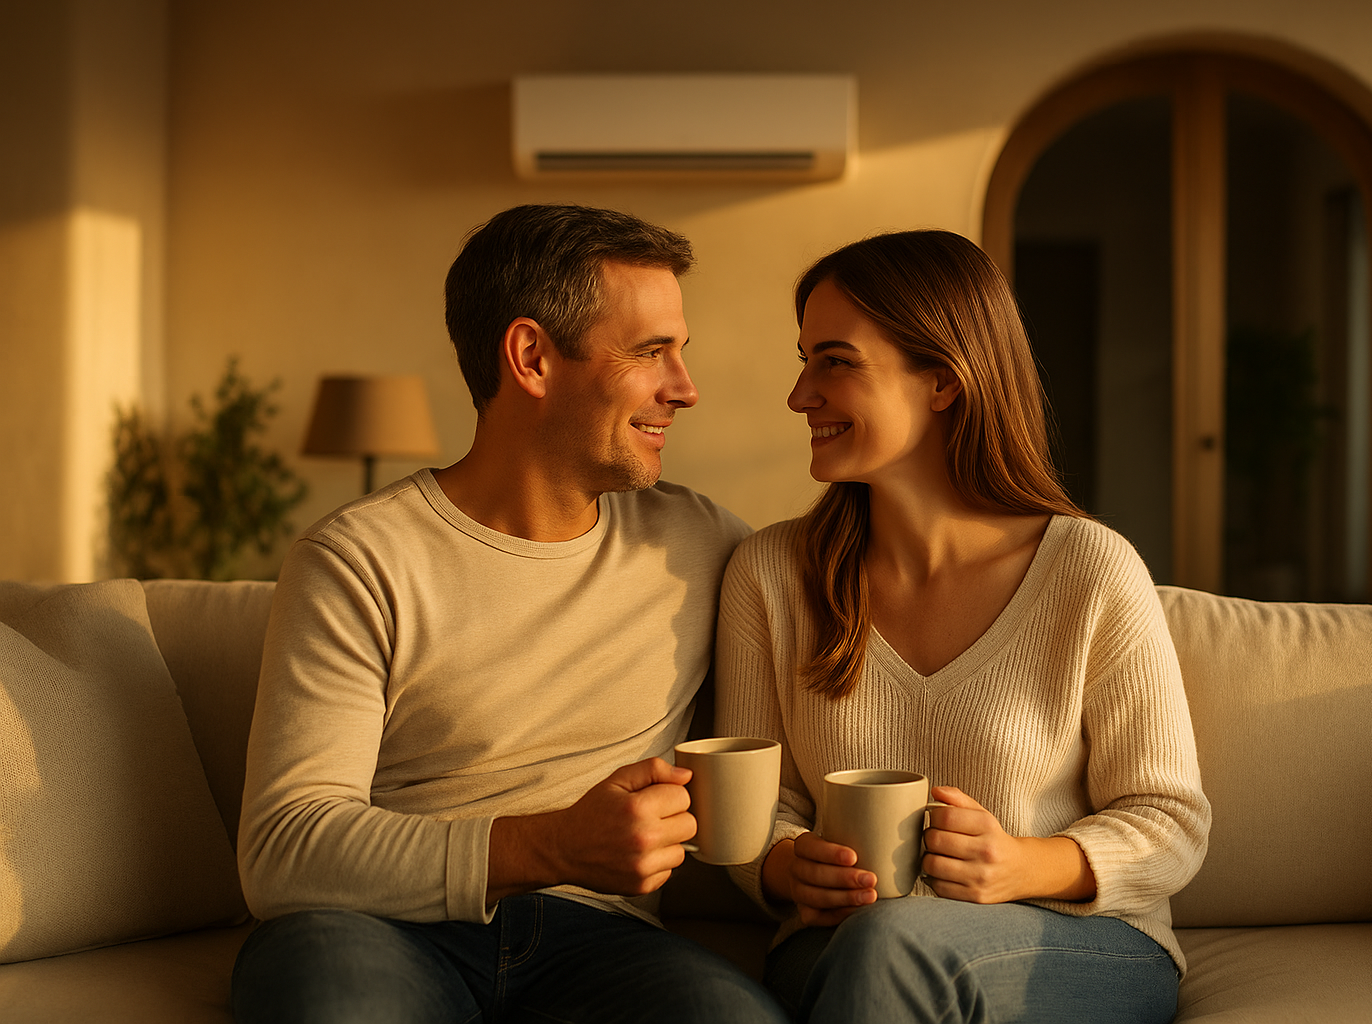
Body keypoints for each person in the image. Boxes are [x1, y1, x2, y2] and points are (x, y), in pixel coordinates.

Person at [231, 204, 787, 1024]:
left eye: (682, 352)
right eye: (650, 353)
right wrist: (555, 844)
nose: (686, 388)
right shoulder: (359, 559)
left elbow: (854, 600)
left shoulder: (702, 544)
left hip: (603, 943)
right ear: (531, 356)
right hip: (374, 927)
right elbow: (285, 849)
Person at [715, 229, 1211, 1024]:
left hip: (1074, 940)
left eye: (834, 361)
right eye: (804, 359)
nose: (800, 394)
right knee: (884, 943)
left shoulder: (1089, 569)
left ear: (942, 381)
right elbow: (758, 804)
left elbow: (1170, 820)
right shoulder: (770, 576)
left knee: (893, 945)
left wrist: (1023, 864)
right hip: (839, 944)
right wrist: (784, 865)